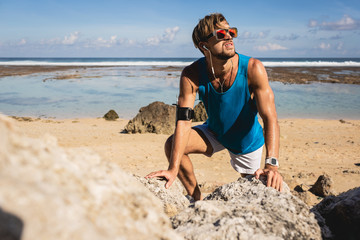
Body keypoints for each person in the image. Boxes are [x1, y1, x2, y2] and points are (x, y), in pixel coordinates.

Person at [146, 13, 282, 201]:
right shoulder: (191, 74)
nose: (229, 36)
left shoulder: (253, 68)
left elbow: (270, 118)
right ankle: (197, 200)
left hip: (247, 142)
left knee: (262, 191)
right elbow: (183, 123)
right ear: (204, 45)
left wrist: (272, 165)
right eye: (221, 33)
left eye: (231, 31)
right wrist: (173, 168)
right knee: (172, 144)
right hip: (215, 131)